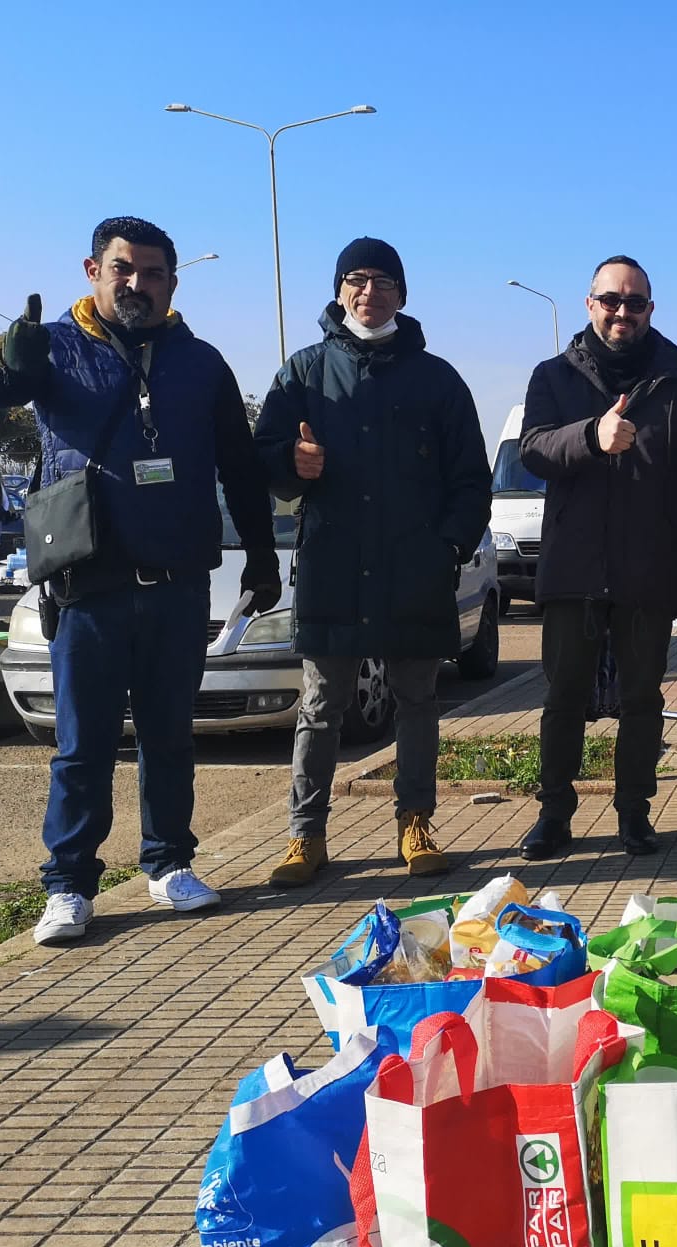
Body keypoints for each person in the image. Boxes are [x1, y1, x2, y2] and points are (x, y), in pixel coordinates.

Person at [0, 216, 278, 944]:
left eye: (154, 273)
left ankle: (168, 865)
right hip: (89, 585)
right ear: (93, 270)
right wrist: (10, 354)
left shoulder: (200, 362)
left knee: (170, 735)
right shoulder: (56, 350)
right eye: (123, 270)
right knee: (84, 745)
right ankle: (69, 885)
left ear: (172, 281)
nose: (137, 285)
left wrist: (260, 558)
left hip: (177, 584)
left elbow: (240, 465)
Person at [255, 238, 492, 886]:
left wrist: (446, 547)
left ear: (402, 294)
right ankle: (307, 835)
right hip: (333, 563)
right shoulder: (302, 372)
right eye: (356, 279)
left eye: (383, 280)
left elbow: (472, 479)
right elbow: (264, 456)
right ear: (338, 291)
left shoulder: (437, 380)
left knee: (417, 699)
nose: (369, 291)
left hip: (413, 570)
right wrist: (289, 465)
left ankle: (415, 821)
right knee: (322, 703)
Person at [515, 255, 677, 860]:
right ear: (589, 304)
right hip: (573, 568)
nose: (622, 311)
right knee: (564, 698)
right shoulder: (553, 376)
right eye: (611, 300)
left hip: (647, 569)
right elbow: (532, 449)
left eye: (634, 302)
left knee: (642, 699)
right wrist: (590, 437)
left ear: (651, 310)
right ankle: (554, 814)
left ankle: (635, 813)